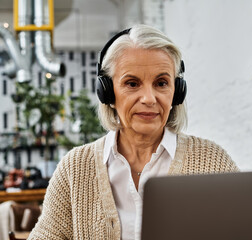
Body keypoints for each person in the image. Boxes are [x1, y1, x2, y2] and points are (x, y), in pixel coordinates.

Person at [28, 24, 238, 240]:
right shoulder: (75, 168)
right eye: (132, 83)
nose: (149, 98)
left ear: (177, 92)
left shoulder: (213, 162)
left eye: (161, 83)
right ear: (107, 93)